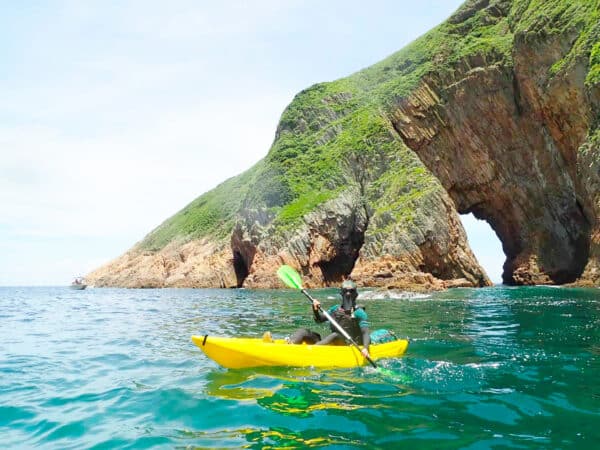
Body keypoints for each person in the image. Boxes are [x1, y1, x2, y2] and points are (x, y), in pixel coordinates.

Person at [288, 279, 371, 359]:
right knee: (304, 332)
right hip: (332, 342)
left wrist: (365, 348)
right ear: (341, 293)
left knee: (336, 335)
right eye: (345, 291)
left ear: (356, 294)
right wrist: (315, 309)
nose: (348, 294)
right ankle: (289, 346)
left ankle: (311, 352)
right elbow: (319, 320)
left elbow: (365, 332)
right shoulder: (335, 309)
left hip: (349, 345)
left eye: (351, 291)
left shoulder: (359, 313)